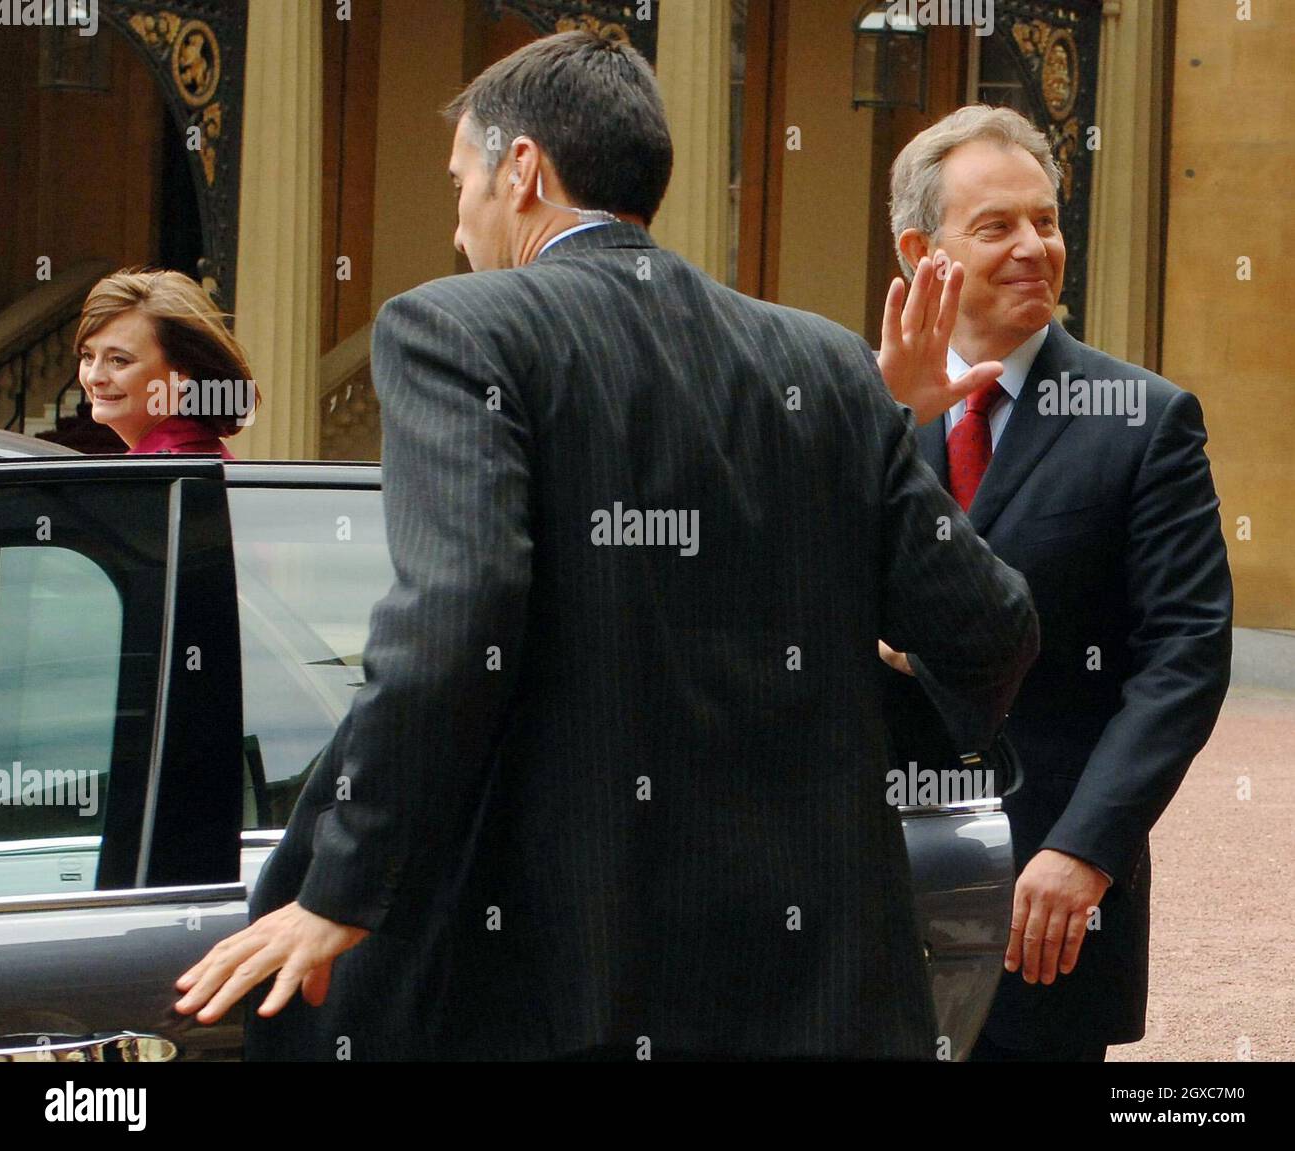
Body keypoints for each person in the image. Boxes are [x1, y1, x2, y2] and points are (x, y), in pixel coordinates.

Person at [173, 31, 1038, 1061]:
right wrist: (865, 717)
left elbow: (457, 612)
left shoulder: (457, 330)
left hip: (562, 994)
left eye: (463, 185)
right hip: (822, 994)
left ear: (524, 169)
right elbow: (990, 625)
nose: (458, 227)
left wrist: (345, 887)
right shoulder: (825, 360)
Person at [876, 105, 1232, 1061]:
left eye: (1047, 220)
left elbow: (1185, 658)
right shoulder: (855, 405)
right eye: (997, 226)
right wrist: (881, 422)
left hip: (1049, 899)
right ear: (921, 249)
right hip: (866, 890)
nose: (1035, 246)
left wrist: (1087, 849)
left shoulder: (1146, 422)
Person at [74, 269, 258, 457]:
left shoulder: (160, 474)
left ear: (182, 369)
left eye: (119, 360)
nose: (94, 377)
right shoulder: (193, 454)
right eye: (88, 356)